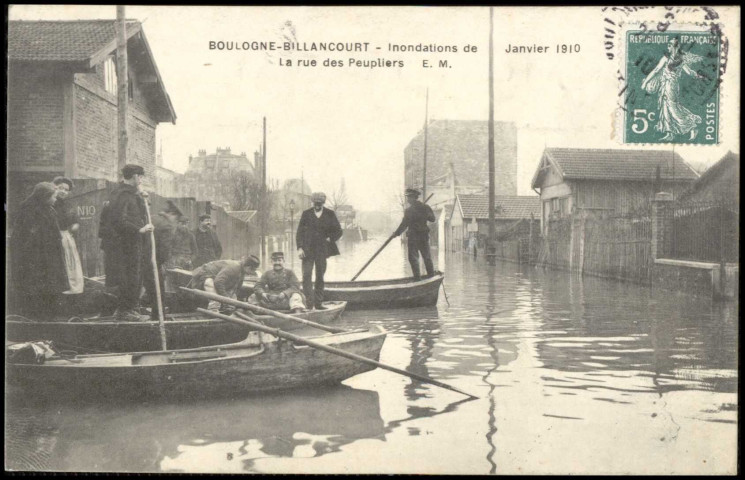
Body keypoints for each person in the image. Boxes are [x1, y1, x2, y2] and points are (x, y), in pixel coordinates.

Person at [101, 164, 154, 322]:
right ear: (136, 177)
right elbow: (118, 221)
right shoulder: (123, 194)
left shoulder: (128, 193)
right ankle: (125, 311)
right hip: (124, 244)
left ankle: (130, 308)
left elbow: (136, 213)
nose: (141, 180)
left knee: (134, 276)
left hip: (131, 243)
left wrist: (143, 197)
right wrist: (140, 230)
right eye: (141, 176)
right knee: (128, 277)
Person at [9, 182, 69, 320]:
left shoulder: (49, 209)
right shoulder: (29, 211)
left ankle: (48, 317)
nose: (55, 199)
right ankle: (37, 319)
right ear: (44, 196)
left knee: (49, 287)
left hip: (49, 256)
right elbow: (25, 237)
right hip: (36, 258)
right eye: (53, 196)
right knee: (37, 287)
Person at [641, 36, 705, 142]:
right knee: (664, 107)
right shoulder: (667, 58)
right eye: (668, 45)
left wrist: (698, 76)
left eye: (670, 45)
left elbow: (689, 72)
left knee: (673, 108)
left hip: (672, 86)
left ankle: (692, 126)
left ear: (675, 47)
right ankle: (669, 133)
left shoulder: (680, 60)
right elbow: (656, 70)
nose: (668, 47)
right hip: (664, 85)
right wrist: (646, 82)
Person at [296, 192, 342, 310]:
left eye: (319, 203)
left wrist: (330, 238)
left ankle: (318, 303)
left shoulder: (330, 214)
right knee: (306, 275)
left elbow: (338, 231)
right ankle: (309, 303)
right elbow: (299, 232)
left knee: (320, 276)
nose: (317, 205)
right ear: (313, 203)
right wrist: (299, 248)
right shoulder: (306, 214)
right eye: (315, 203)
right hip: (307, 251)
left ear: (323, 203)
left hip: (322, 251)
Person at [141, 201, 182, 318]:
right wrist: (162, 264)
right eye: (177, 219)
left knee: (142, 288)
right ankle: (158, 317)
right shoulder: (166, 225)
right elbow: (164, 249)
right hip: (152, 263)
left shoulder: (151, 218)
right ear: (171, 214)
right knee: (158, 291)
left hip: (139, 260)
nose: (176, 222)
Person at [189, 256, 259, 313]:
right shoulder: (234, 267)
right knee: (215, 300)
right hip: (204, 275)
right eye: (253, 270)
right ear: (248, 267)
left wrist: (231, 301)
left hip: (216, 278)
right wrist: (226, 298)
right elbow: (218, 282)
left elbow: (236, 287)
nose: (252, 273)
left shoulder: (242, 270)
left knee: (231, 300)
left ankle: (227, 311)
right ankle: (213, 311)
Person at [394, 188, 436, 280]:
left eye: (409, 197)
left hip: (414, 237)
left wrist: (396, 233)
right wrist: (396, 233)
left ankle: (418, 278)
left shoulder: (410, 210)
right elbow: (432, 219)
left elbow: (404, 225)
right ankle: (431, 276)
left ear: (414, 197)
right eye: (407, 197)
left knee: (415, 258)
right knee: (426, 257)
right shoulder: (425, 207)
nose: (408, 199)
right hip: (422, 236)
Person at [52, 176, 84, 294]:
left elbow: (74, 220)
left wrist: (75, 225)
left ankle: (72, 287)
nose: (63, 192)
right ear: (55, 187)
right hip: (53, 236)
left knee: (69, 261)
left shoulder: (67, 204)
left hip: (65, 236)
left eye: (66, 190)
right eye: (61, 188)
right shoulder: (50, 203)